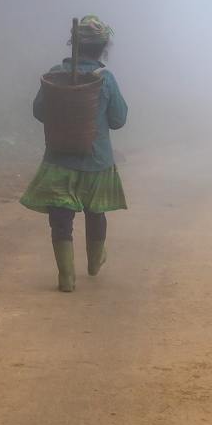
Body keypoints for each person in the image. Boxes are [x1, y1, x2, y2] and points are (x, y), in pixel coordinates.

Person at [20, 15, 128, 292]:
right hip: (97, 161)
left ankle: (66, 276)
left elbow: (39, 111)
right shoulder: (106, 79)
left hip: (59, 160)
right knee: (96, 212)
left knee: (60, 218)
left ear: (73, 44)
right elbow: (118, 119)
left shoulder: (56, 73)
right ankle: (94, 260)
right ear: (103, 47)